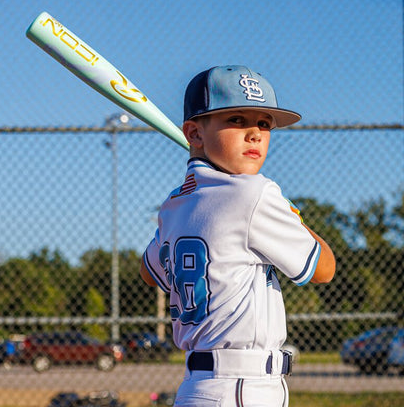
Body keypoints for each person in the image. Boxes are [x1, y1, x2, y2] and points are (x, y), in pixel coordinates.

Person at [140, 65, 336, 407]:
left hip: (195, 389)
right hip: (244, 389)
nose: (255, 133)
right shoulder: (256, 194)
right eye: (236, 120)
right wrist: (293, 216)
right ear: (195, 133)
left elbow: (147, 272)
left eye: (263, 123)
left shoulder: (175, 204)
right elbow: (324, 269)